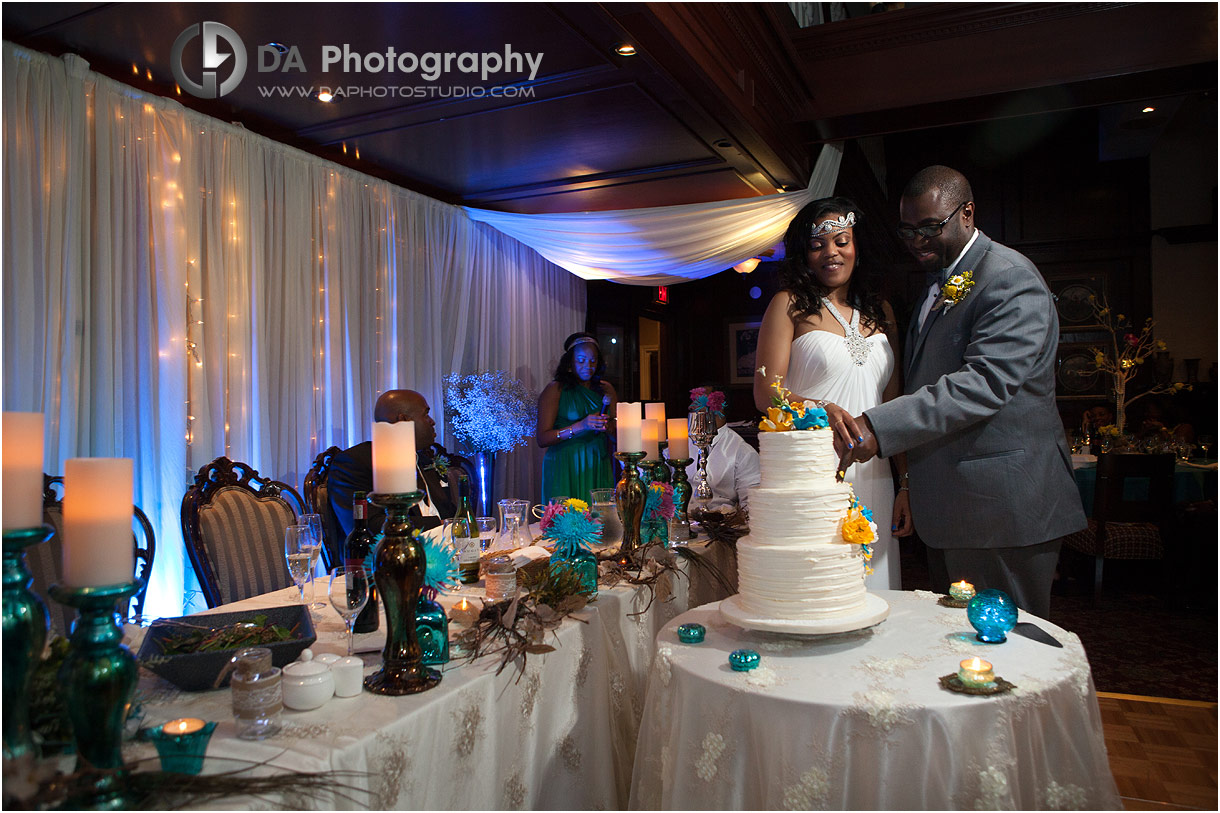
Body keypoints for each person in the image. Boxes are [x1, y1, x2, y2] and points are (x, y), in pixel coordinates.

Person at [836, 165, 1085, 618]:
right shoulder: (942, 281)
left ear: (967, 213)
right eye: (907, 230)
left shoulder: (1009, 277)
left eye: (930, 227)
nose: (916, 241)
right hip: (955, 509)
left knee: (1010, 652)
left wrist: (876, 426)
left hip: (1002, 509)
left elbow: (985, 383)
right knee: (960, 649)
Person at [754, 196, 911, 590]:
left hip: (876, 472)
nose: (831, 252)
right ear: (804, 255)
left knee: (874, 585)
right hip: (814, 467)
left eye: (841, 241)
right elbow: (765, 393)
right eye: (817, 244)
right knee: (820, 587)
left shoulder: (883, 312)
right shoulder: (787, 305)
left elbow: (893, 407)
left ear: (857, 245)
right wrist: (820, 406)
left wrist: (905, 483)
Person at [327, 389, 458, 554]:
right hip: (389, 564)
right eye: (426, 415)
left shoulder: (423, 459)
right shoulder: (356, 462)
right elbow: (370, 526)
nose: (432, 422)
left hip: (445, 556)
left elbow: (449, 513)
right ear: (403, 421)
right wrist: (439, 525)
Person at [536, 332, 617, 505]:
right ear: (570, 363)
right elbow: (542, 438)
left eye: (593, 360)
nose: (588, 366)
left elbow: (618, 436)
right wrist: (581, 426)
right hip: (564, 466)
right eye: (581, 360)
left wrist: (609, 427)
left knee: (600, 524)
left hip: (597, 463)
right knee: (566, 525)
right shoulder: (555, 389)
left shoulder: (606, 389)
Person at [681, 386, 760, 513]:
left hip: (720, 526)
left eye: (698, 401)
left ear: (718, 406)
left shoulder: (743, 452)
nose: (691, 407)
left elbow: (752, 505)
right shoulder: (676, 443)